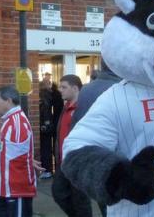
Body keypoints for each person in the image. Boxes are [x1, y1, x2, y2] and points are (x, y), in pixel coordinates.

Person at [70, 60, 121, 217]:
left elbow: (77, 123)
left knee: (105, 202)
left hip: (96, 159)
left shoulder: (86, 90)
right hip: (117, 156)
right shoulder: (120, 89)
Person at [0, 85, 36, 217]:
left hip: (16, 191)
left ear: (9, 101)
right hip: (4, 188)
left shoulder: (16, 123)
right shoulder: (10, 120)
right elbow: (19, 152)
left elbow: (21, 156)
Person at [51, 75, 92, 217]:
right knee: (58, 193)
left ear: (75, 88)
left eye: (64, 87)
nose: (60, 90)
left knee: (80, 200)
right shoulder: (66, 107)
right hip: (63, 162)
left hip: (78, 163)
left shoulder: (83, 108)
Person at [38, 78, 54, 179]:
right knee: (46, 148)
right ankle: (47, 169)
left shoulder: (44, 95)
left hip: (45, 126)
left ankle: (47, 170)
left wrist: (45, 124)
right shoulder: (49, 94)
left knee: (45, 148)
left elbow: (45, 111)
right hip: (47, 125)